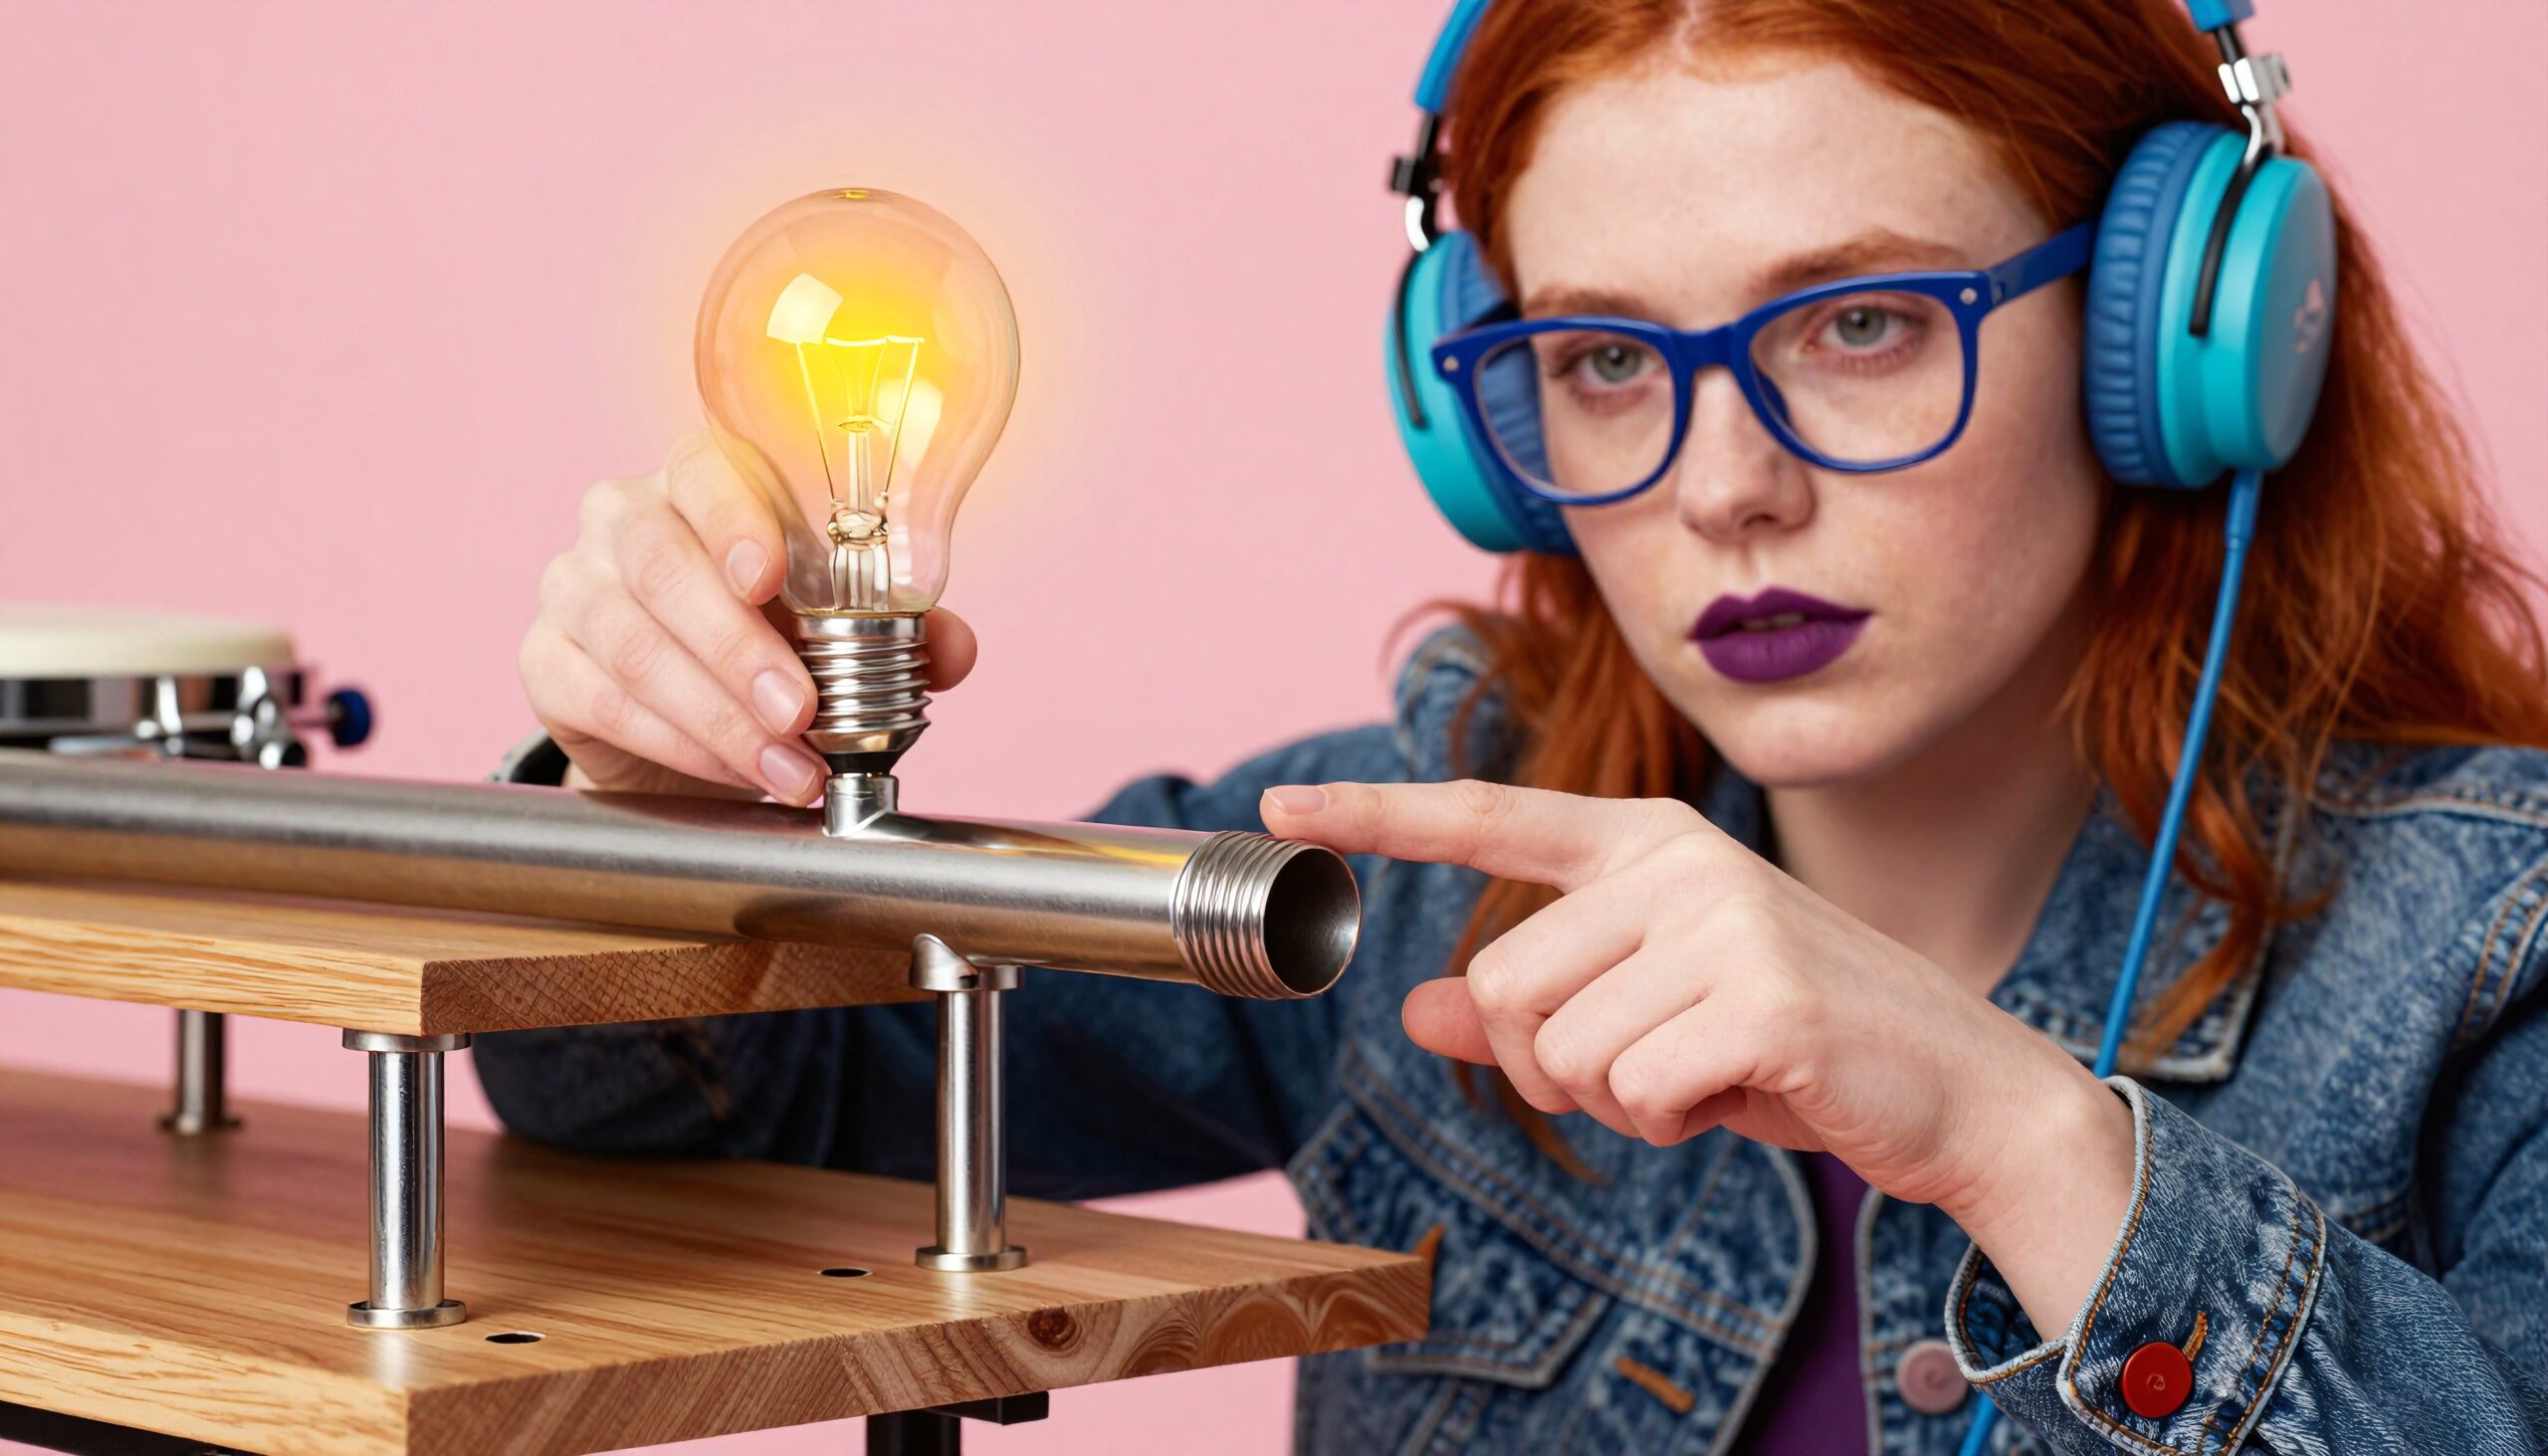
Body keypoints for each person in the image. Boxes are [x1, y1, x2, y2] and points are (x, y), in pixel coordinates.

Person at [478, 0, 2548, 1450]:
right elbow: (697, 1123)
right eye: (1597, 357)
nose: (1721, 480)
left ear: (2173, 336)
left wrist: (2019, 1139)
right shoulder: (1404, 880)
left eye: (1856, 323)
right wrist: (631, 799)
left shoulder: (2489, 950)